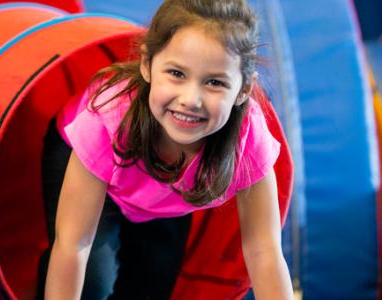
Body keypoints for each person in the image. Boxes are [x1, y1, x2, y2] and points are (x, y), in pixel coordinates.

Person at [38, 0, 293, 299]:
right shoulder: (108, 119)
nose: (191, 99)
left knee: (151, 288)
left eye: (214, 82)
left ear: (244, 90)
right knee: (94, 284)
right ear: (147, 64)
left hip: (166, 192)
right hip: (85, 160)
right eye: (176, 74)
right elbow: (74, 245)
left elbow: (264, 250)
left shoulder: (248, 138)